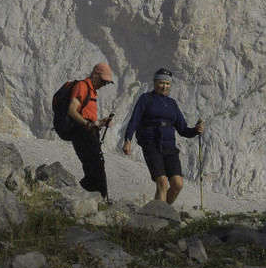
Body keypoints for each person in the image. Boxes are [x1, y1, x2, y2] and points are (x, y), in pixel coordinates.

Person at [118, 68, 204, 206]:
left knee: (177, 184)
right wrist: (128, 140)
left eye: (167, 84)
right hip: (151, 143)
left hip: (170, 146)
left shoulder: (172, 104)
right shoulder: (146, 98)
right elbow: (134, 120)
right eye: (161, 83)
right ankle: (158, 218)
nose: (164, 86)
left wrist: (196, 130)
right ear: (154, 82)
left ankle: (163, 211)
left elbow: (183, 130)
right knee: (162, 182)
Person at [63, 62, 116, 200]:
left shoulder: (92, 91)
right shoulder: (82, 86)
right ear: (95, 74)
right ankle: (86, 198)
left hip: (89, 133)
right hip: (82, 133)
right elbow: (72, 110)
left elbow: (88, 116)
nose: (104, 84)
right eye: (103, 80)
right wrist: (89, 124)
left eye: (107, 82)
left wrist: (102, 122)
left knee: (96, 167)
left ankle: (84, 198)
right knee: (95, 168)